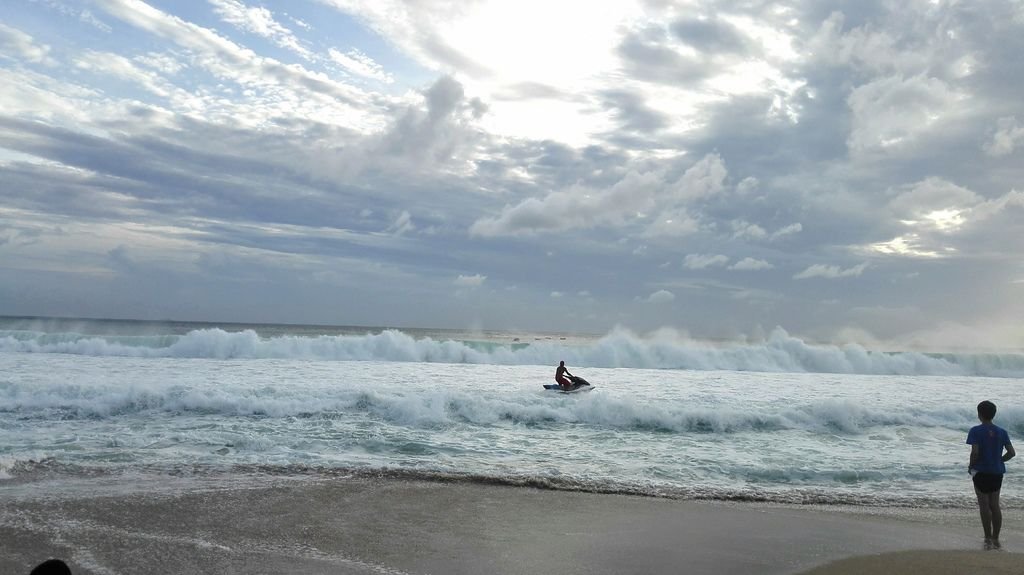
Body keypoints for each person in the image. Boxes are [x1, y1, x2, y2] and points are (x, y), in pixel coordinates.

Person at [966, 400, 1015, 548]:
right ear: (993, 414)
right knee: (995, 504)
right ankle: (996, 537)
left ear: (979, 414)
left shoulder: (975, 430)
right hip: (997, 472)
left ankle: (987, 537)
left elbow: (975, 452)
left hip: (981, 471)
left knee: (984, 505)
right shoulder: (1002, 431)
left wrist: (971, 465)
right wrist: (999, 460)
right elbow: (1012, 453)